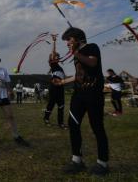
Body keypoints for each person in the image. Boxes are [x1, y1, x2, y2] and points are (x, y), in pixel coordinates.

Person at [59, 27, 109, 176]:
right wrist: (62, 82)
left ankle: (103, 163)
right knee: (73, 124)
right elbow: (78, 75)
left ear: (77, 38)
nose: (67, 43)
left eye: (68, 39)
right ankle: (77, 161)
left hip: (94, 95)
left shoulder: (92, 47)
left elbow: (92, 63)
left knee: (97, 127)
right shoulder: (77, 55)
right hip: (78, 95)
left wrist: (75, 52)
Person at [0, 54, 30, 146]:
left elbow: (8, 82)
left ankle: (16, 136)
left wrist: (10, 91)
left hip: (4, 96)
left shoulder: (3, 70)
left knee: (10, 116)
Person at [43, 52, 67, 129]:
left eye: (58, 56)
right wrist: (54, 41)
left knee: (61, 106)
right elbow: (53, 55)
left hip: (61, 89)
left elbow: (63, 79)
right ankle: (46, 119)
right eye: (55, 57)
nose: (57, 58)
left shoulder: (60, 68)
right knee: (51, 105)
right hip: (54, 89)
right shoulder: (53, 65)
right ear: (52, 58)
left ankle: (61, 123)